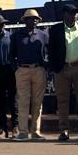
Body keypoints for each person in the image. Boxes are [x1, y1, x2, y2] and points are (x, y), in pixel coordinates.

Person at [47, 3, 78, 142]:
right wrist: (55, 67)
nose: (75, 15)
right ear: (64, 15)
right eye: (71, 13)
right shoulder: (55, 29)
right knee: (62, 100)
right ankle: (64, 130)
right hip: (62, 68)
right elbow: (51, 50)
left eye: (76, 13)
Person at [10, 8, 49, 140]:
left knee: (38, 102)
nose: (33, 21)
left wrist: (46, 65)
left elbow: (49, 50)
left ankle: (35, 131)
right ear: (25, 21)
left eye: (36, 19)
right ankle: (23, 132)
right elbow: (11, 54)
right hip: (22, 70)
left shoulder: (43, 35)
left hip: (39, 70)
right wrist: (16, 69)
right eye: (30, 19)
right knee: (23, 101)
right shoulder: (16, 36)